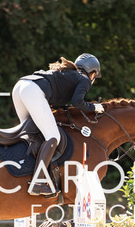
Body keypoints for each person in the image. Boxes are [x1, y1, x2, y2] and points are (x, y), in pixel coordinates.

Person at [13, 53, 103, 196]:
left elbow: (61, 102)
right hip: (33, 90)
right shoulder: (84, 79)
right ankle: (38, 182)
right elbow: (77, 102)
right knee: (54, 136)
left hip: (20, 86)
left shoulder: (70, 74)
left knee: (31, 133)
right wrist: (94, 107)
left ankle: (22, 170)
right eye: (95, 76)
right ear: (92, 73)